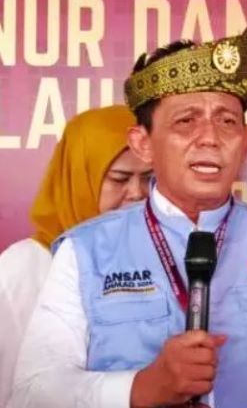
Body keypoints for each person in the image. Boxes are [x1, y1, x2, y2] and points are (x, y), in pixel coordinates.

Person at [9, 28, 247, 408]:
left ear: (246, 142)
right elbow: (32, 393)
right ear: (143, 144)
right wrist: (140, 388)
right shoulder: (85, 251)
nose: (210, 138)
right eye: (186, 121)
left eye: (227, 121)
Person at [0, 105, 151, 407]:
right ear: (79, 178)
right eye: (119, 179)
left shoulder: (156, 259)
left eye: (149, 178)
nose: (137, 193)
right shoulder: (23, 269)